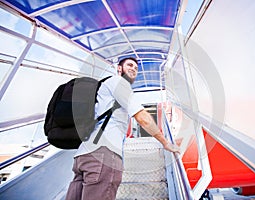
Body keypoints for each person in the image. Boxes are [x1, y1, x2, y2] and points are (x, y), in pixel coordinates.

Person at [65, 57, 180, 200]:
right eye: (130, 65)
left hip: (82, 156)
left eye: (136, 68)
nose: (133, 69)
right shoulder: (119, 82)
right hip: (103, 154)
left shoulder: (104, 88)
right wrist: (165, 142)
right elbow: (142, 117)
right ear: (119, 68)